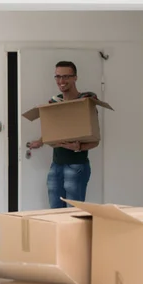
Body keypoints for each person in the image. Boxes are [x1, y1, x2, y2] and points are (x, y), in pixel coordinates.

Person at [27, 61, 100, 208]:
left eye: (66, 76)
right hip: (56, 165)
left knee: (73, 215)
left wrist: (78, 147)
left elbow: (95, 141)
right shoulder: (55, 103)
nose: (61, 81)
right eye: (58, 76)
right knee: (55, 212)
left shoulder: (85, 102)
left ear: (75, 78)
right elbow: (54, 130)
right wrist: (40, 141)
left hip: (76, 166)